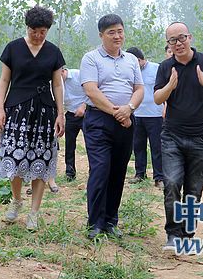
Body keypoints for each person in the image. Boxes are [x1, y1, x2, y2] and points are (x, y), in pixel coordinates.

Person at [154, 21, 203, 249]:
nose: (178, 43)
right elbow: (158, 98)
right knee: (171, 182)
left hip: (201, 138)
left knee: (194, 189)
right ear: (168, 43)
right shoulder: (166, 67)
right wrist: (170, 86)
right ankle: (173, 234)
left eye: (181, 38)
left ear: (190, 37)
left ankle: (188, 233)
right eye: (172, 40)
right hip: (172, 137)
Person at [0, 5, 65, 230]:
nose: (38, 35)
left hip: (44, 112)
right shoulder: (13, 48)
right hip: (16, 110)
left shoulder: (53, 52)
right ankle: (16, 200)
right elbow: (4, 80)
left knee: (41, 161)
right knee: (14, 157)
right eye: (34, 30)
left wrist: (60, 113)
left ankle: (34, 213)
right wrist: (0, 108)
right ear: (27, 27)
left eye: (43, 31)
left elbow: (57, 84)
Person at [80, 14, 144, 239]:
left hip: (127, 120)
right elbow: (91, 90)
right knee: (100, 169)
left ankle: (110, 221)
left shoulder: (131, 60)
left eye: (120, 31)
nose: (117, 36)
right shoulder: (91, 58)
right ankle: (94, 223)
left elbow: (139, 89)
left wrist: (129, 108)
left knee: (118, 170)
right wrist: (119, 112)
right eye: (111, 32)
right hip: (99, 120)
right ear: (101, 35)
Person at [126, 47, 164, 187]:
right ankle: (139, 173)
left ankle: (159, 177)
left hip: (155, 114)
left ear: (140, 59)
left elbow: (163, 89)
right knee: (138, 146)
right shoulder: (130, 71)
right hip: (136, 114)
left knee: (157, 146)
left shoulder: (156, 69)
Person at [61, 66, 87, 182]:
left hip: (86, 113)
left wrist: (83, 106)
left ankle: (94, 171)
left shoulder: (78, 75)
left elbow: (92, 91)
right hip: (71, 115)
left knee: (91, 143)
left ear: (62, 71)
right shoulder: (54, 83)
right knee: (69, 144)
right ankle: (70, 172)